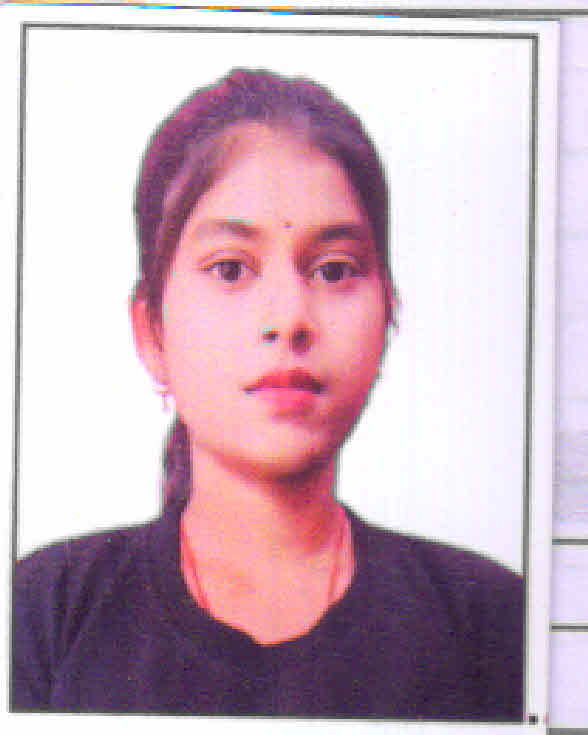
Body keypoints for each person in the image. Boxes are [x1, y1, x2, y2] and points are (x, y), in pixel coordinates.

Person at [13, 69, 523, 718]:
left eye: (333, 270)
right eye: (231, 269)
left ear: (389, 311)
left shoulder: (489, 622)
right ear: (152, 331)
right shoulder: (45, 614)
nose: (289, 318)